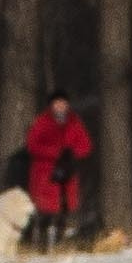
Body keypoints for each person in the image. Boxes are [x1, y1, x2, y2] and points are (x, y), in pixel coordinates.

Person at [24, 90, 93, 252]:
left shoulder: (74, 122)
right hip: (45, 173)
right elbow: (32, 145)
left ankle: (59, 242)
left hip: (68, 172)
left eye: (63, 102)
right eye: (57, 103)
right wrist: (55, 152)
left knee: (64, 209)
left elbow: (86, 145)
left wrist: (72, 152)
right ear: (51, 105)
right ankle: (40, 244)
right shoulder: (42, 121)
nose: (60, 106)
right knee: (44, 210)